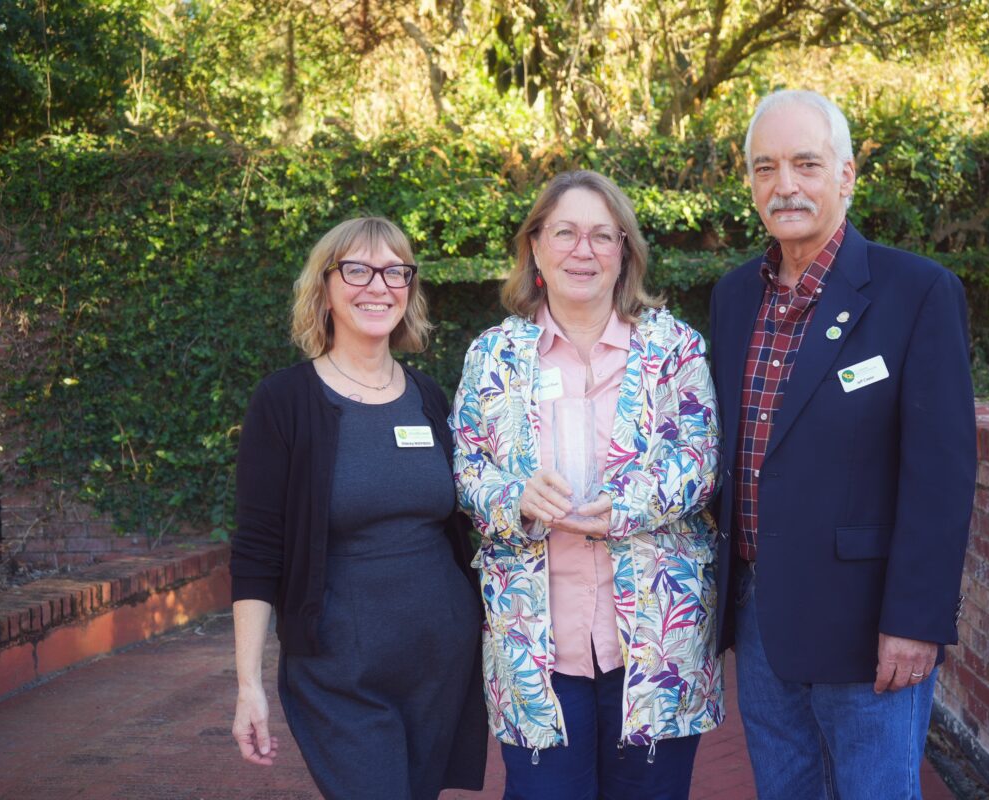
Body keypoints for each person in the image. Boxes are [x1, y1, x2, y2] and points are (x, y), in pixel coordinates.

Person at [708, 90, 977, 799]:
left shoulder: (917, 292)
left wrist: (917, 621)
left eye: (806, 164)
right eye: (765, 168)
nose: (784, 185)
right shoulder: (734, 297)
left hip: (868, 629)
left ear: (848, 174)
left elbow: (941, 476)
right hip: (760, 619)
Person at [451, 170, 723, 799]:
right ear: (536, 247)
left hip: (656, 642)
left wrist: (625, 506)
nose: (584, 250)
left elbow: (699, 458)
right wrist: (511, 496)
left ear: (624, 252)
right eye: (566, 233)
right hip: (537, 643)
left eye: (604, 235)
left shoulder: (673, 347)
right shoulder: (494, 355)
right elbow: (467, 466)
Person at [229, 216, 487, 800]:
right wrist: (249, 684)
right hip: (338, 667)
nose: (379, 285)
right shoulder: (286, 401)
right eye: (357, 269)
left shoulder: (428, 396)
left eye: (395, 270)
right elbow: (256, 550)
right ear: (324, 288)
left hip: (439, 659)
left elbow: (463, 516)